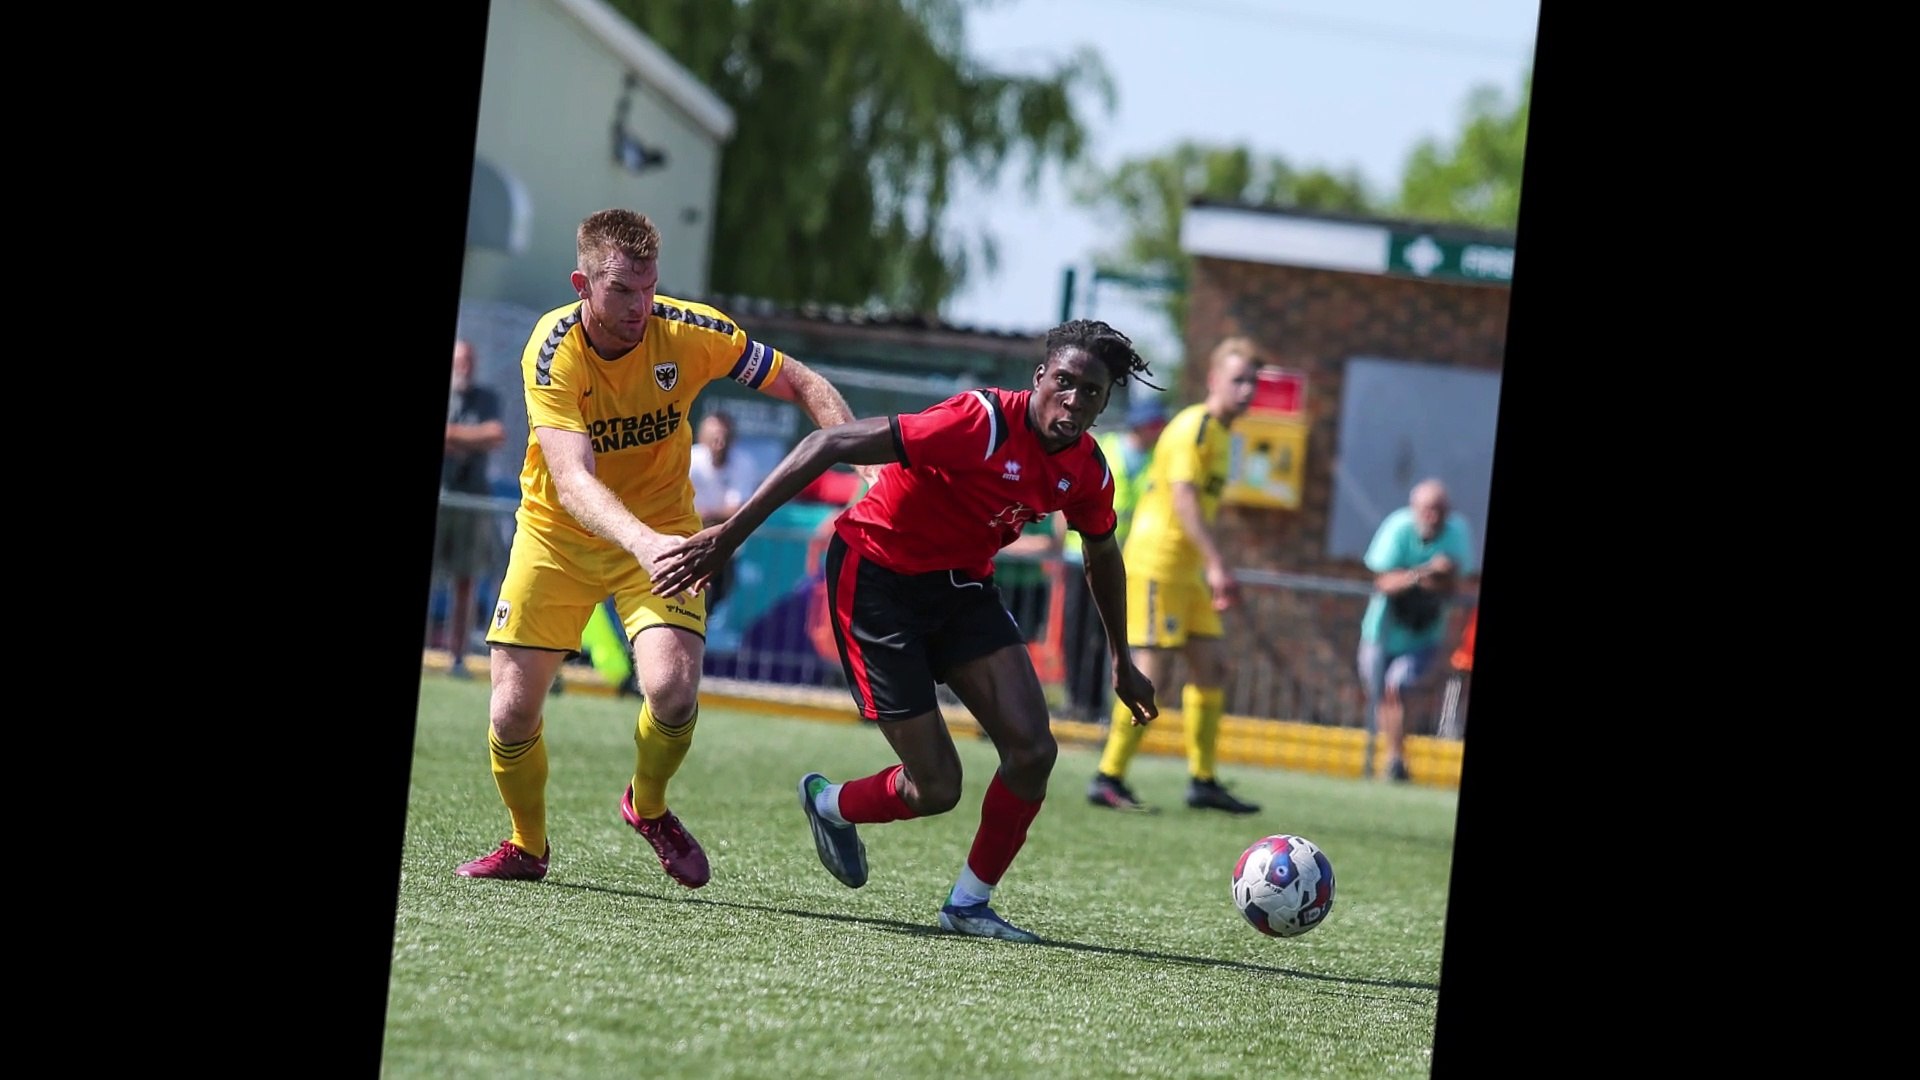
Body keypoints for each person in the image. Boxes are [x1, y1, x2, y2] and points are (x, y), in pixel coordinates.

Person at [649, 319, 1162, 943]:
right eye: (1065, 382)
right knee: (938, 786)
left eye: (1092, 391)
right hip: (876, 581)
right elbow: (829, 445)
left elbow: (1104, 553)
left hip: (961, 588)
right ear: (1040, 379)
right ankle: (830, 802)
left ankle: (969, 905)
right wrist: (726, 540)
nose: (1075, 400)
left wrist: (1121, 657)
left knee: (1034, 751)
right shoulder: (978, 421)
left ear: (1107, 401)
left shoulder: (1086, 469)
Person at [454, 208, 864, 887]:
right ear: (582, 283)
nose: (641, 306)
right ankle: (527, 845)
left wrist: (868, 466)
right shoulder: (551, 348)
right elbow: (572, 478)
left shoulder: (688, 329)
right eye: (621, 290)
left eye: (649, 288)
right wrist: (643, 542)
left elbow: (803, 383)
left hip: (662, 531)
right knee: (509, 712)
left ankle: (647, 807)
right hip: (558, 537)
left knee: (673, 692)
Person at [1087, 335, 1264, 815]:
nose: (1247, 390)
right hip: (1159, 564)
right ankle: (1108, 776)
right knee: (1152, 675)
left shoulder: (1225, 436)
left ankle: (1203, 780)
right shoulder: (1195, 427)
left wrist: (1207, 565)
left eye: (1253, 381)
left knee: (1212, 667)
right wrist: (1216, 564)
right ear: (1213, 380)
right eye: (1238, 380)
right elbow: (1184, 498)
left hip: (1187, 574)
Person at [1053, 397, 1167, 723]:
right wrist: (1059, 545)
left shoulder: (1153, 461)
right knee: (1076, 634)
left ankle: (1093, 703)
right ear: (1141, 425)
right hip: (1080, 555)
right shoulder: (1109, 448)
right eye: (1155, 426)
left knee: (1106, 635)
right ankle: (1074, 699)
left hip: (1119, 557)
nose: (1158, 432)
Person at [1358, 478, 1475, 781]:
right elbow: (1383, 581)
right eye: (1427, 509)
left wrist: (1439, 576)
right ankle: (1394, 759)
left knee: (1398, 687)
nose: (1433, 517)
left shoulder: (1457, 532)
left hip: (1425, 636)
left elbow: (1454, 584)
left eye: (1439, 510)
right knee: (1383, 695)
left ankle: (1394, 759)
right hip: (1381, 633)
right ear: (1415, 509)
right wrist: (1423, 573)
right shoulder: (1397, 527)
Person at [434, 340, 508, 679]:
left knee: (466, 580)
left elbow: (494, 433)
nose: (464, 366)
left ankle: (458, 657)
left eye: (468, 360)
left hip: (470, 499)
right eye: (458, 360)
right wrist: (469, 437)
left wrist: (453, 435)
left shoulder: (485, 398)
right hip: (444, 497)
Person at [686, 410, 761, 610]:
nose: (719, 443)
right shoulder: (690, 459)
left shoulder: (744, 464)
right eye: (713, 438)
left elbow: (737, 510)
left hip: (723, 543)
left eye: (724, 438)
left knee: (716, 596)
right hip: (686, 539)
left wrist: (707, 515)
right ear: (702, 437)